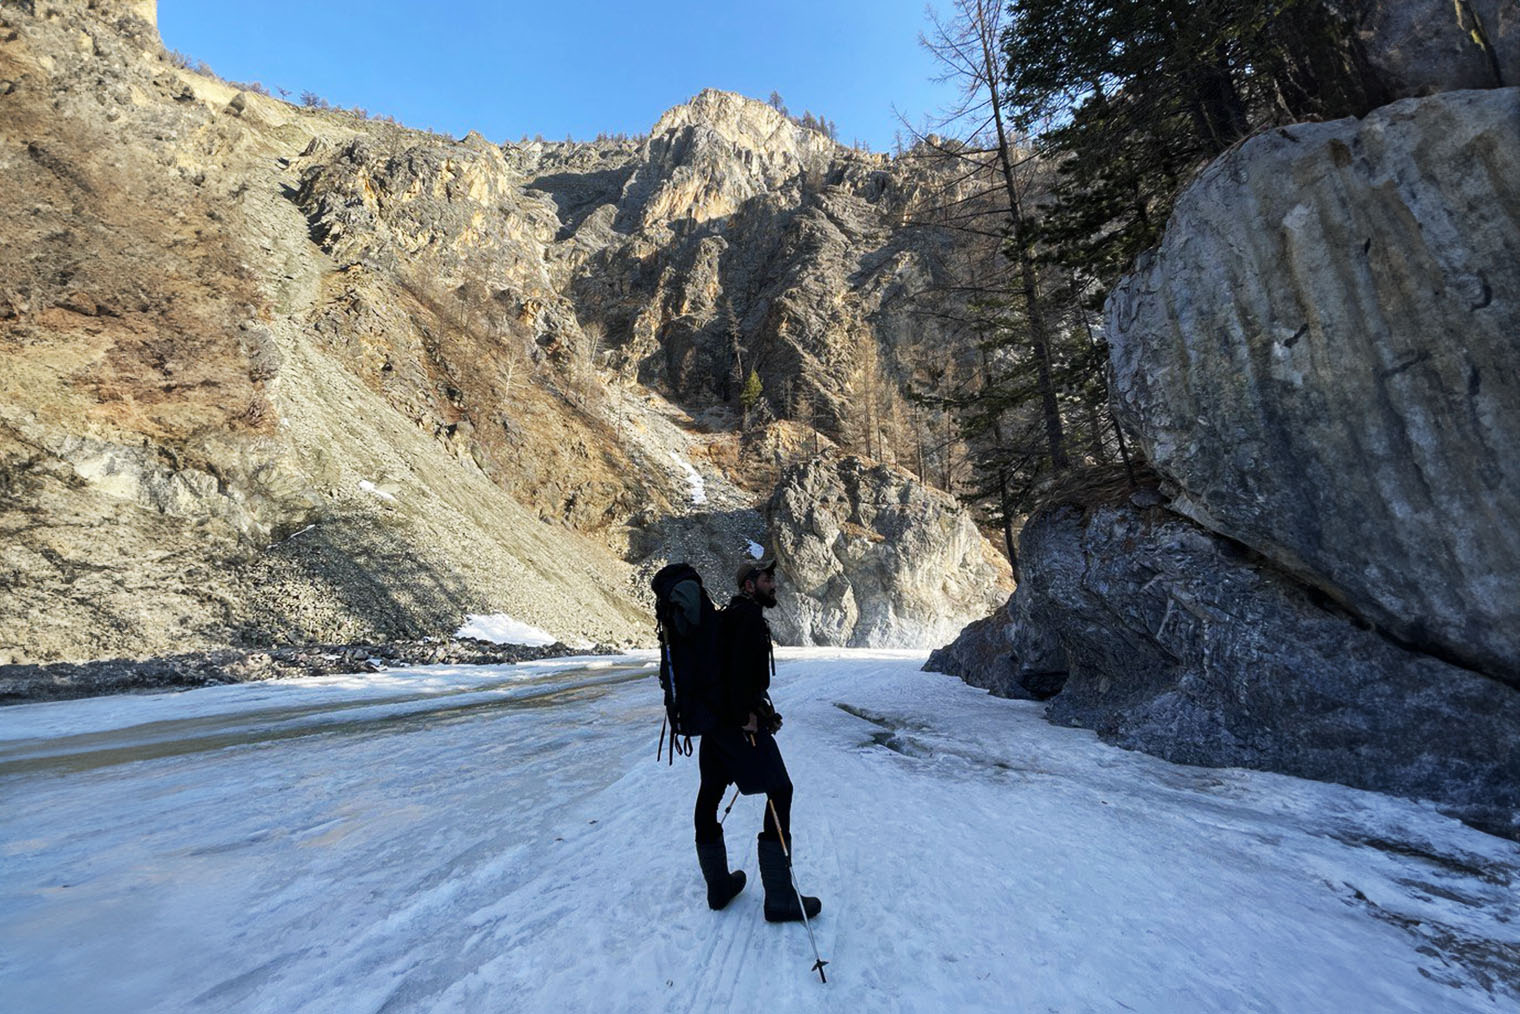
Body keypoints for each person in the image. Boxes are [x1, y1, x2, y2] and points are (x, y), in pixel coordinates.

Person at [691, 557, 822, 923]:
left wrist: (752, 712)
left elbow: (733, 674)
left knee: (711, 792)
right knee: (780, 791)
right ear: (750, 584)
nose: (773, 584)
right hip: (736, 725)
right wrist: (747, 717)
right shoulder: (747, 618)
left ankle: (718, 886)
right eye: (767, 578)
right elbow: (740, 677)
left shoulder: (730, 616)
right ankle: (779, 898)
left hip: (715, 725)